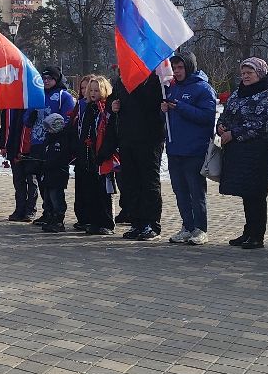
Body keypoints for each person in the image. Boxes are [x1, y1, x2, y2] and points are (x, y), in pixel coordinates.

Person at [216, 58, 268, 248]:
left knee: (256, 194)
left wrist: (233, 133)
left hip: (257, 152)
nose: (245, 76)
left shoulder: (267, 95)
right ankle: (248, 231)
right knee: (246, 193)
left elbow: (263, 124)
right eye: (243, 73)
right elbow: (226, 113)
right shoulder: (238, 93)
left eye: (249, 73)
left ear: (259, 73)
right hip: (237, 152)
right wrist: (221, 125)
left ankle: (257, 235)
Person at [163, 52, 216, 244]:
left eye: (180, 68)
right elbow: (169, 120)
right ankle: (187, 226)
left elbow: (207, 117)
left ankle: (201, 228)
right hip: (174, 149)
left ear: (189, 67)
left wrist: (180, 107)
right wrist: (165, 111)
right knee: (180, 191)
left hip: (194, 150)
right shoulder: (173, 89)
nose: (176, 72)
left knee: (196, 191)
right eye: (174, 68)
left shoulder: (203, 89)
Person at [111, 69, 166, 240]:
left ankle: (151, 223)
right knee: (131, 183)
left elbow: (151, 104)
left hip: (149, 139)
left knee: (149, 183)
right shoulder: (121, 80)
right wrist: (113, 105)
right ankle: (136, 222)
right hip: (127, 139)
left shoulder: (156, 80)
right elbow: (113, 100)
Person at [73, 74, 118, 235]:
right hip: (88, 155)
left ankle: (107, 222)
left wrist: (104, 152)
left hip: (104, 156)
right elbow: (84, 132)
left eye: (96, 90)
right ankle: (94, 220)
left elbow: (110, 133)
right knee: (91, 190)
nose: (93, 93)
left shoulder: (106, 109)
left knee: (105, 191)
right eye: (90, 90)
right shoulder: (88, 108)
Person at [28, 111, 75, 233]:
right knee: (48, 197)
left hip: (58, 174)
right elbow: (45, 155)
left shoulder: (63, 140)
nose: (48, 130)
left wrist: (48, 163)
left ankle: (58, 219)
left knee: (56, 197)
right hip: (48, 174)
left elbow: (60, 157)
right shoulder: (49, 139)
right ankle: (50, 217)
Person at [0, 96, 37, 223]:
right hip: (14, 146)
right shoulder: (9, 106)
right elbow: (5, 126)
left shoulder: (33, 103)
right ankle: (19, 208)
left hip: (30, 148)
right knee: (18, 181)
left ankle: (30, 209)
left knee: (31, 180)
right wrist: (3, 145)